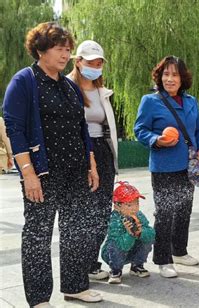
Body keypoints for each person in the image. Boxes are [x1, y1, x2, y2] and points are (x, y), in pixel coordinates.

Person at [2, 22, 102, 306]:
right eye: (60, 49)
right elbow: (14, 128)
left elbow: (81, 127)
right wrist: (28, 174)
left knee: (76, 228)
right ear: (41, 50)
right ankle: (38, 298)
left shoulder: (69, 85)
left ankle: (75, 285)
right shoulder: (25, 81)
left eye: (68, 50)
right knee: (38, 233)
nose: (65, 55)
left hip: (75, 170)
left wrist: (91, 163)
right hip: (43, 171)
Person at [134, 55, 199, 278]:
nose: (170, 78)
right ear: (159, 77)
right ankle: (163, 258)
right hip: (164, 165)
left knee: (185, 208)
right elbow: (140, 129)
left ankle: (180, 251)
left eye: (175, 74)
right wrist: (157, 139)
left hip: (189, 165)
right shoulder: (151, 101)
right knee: (165, 212)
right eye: (166, 74)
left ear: (182, 78)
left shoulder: (191, 101)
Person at [68, 40, 118, 281]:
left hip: (102, 151)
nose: (95, 67)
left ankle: (91, 262)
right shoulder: (66, 87)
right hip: (79, 152)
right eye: (90, 62)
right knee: (83, 210)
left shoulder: (103, 92)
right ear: (78, 62)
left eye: (99, 63)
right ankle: (78, 265)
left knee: (101, 211)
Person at [101, 181, 155, 284]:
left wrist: (140, 233)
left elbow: (151, 234)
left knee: (148, 237)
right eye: (129, 205)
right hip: (113, 254)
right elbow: (121, 245)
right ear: (117, 206)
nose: (135, 208)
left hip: (131, 250)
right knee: (114, 244)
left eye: (137, 203)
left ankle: (137, 265)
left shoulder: (139, 215)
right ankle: (115, 270)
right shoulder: (114, 219)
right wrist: (130, 234)